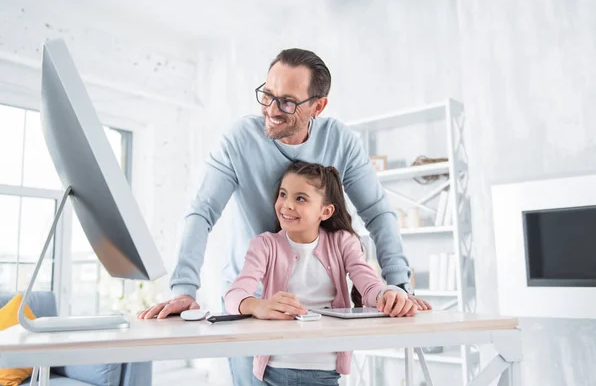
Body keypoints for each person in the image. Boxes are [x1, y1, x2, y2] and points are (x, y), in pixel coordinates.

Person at [137, 48, 431, 385]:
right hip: (248, 302)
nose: (272, 110)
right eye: (267, 95)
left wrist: (397, 286)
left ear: (317, 106)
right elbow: (202, 212)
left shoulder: (341, 142)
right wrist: (184, 288)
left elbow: (378, 213)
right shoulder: (239, 140)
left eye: (288, 102)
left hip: (318, 313)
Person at [225, 161, 419, 385]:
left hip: (325, 370)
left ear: (325, 211)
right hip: (274, 370)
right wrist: (259, 305)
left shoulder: (343, 242)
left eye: (300, 198)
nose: (286, 205)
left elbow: (369, 285)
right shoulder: (265, 245)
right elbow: (234, 296)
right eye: (283, 194)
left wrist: (387, 294)